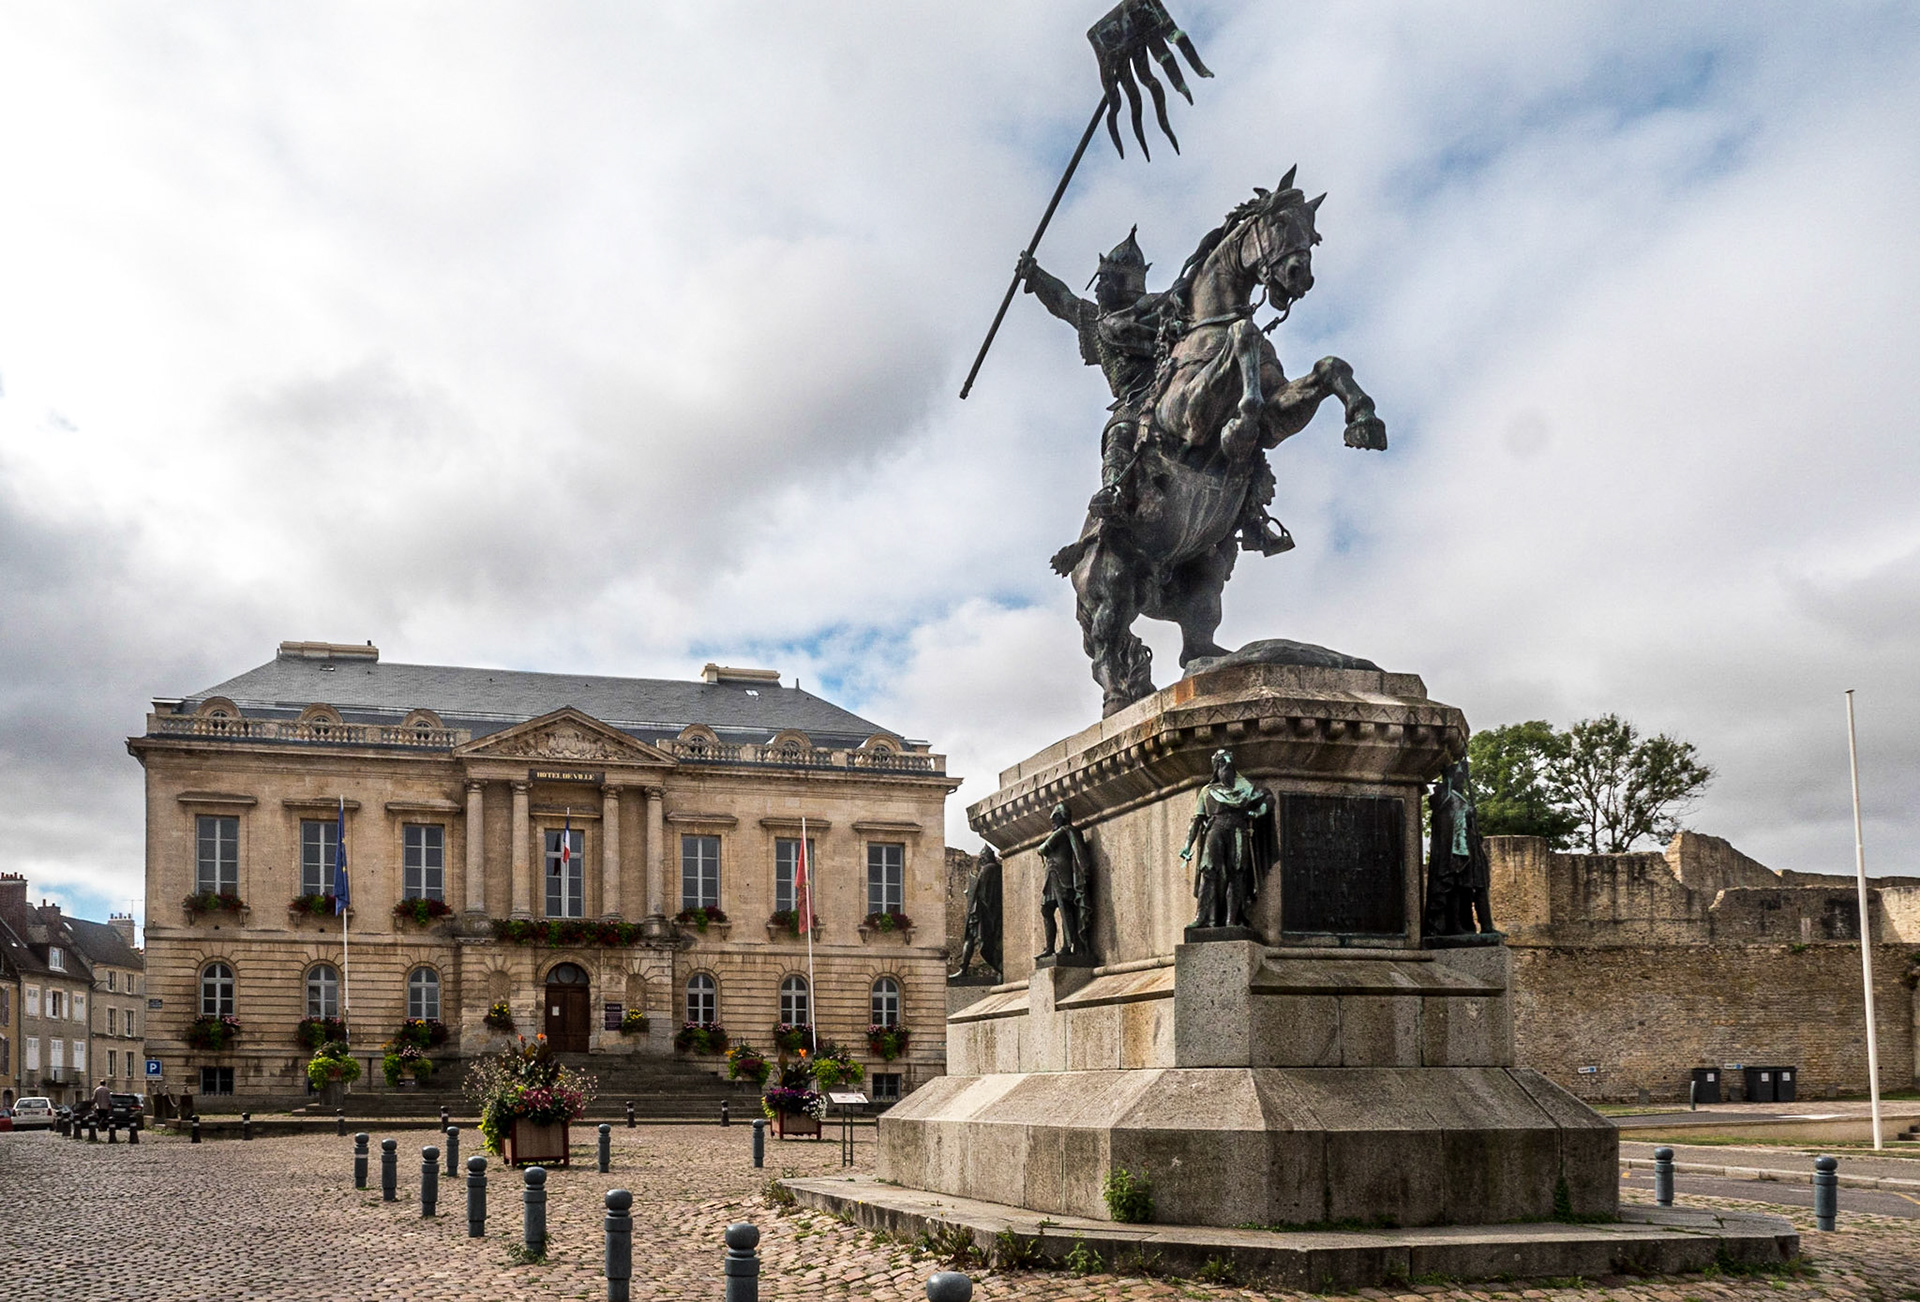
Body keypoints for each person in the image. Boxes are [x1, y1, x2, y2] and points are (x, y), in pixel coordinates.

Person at [1018, 227, 1169, 518]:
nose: (1099, 287)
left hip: (1169, 383)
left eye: (1107, 280)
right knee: (1120, 433)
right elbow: (1063, 300)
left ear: (1126, 284)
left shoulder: (1157, 309)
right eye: (1098, 280)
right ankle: (1112, 490)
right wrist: (1035, 276)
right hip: (1132, 403)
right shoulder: (1095, 320)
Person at [1181, 749, 1277, 929]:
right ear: (1216, 769)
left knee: (1237, 873)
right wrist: (1187, 845)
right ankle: (1201, 916)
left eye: (1230, 766)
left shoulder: (1245, 789)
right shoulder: (1207, 792)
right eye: (1223, 766)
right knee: (1208, 872)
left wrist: (1257, 812)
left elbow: (1269, 798)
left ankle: (1231, 919)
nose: (1227, 769)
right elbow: (1197, 819)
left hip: (1238, 829)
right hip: (1215, 829)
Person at [1036, 804, 1093, 959]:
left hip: (1061, 876)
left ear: (1061, 817)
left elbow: (1042, 849)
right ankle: (1050, 947)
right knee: (1047, 910)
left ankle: (1067, 946)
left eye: (1055, 818)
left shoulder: (1062, 832)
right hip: (1053, 875)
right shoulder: (1068, 832)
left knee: (1065, 909)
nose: (1053, 822)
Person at [950, 846, 1004, 979]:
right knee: (976, 940)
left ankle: (964, 969)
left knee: (971, 938)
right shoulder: (999, 869)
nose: (980, 860)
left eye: (982, 857)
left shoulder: (987, 869)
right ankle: (966, 968)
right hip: (988, 911)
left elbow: (981, 892)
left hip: (982, 911)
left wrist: (969, 893)